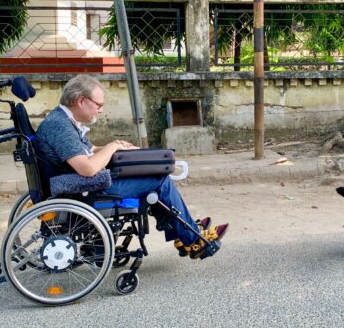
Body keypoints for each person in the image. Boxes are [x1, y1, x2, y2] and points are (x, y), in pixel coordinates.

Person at [35, 74, 227, 259]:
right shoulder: (60, 126)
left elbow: (90, 150)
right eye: (98, 105)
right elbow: (87, 168)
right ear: (80, 100)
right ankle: (193, 240)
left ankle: (184, 231)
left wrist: (119, 147)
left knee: (153, 176)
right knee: (158, 180)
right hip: (84, 189)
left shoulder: (64, 120)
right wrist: (111, 147)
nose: (100, 110)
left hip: (83, 184)